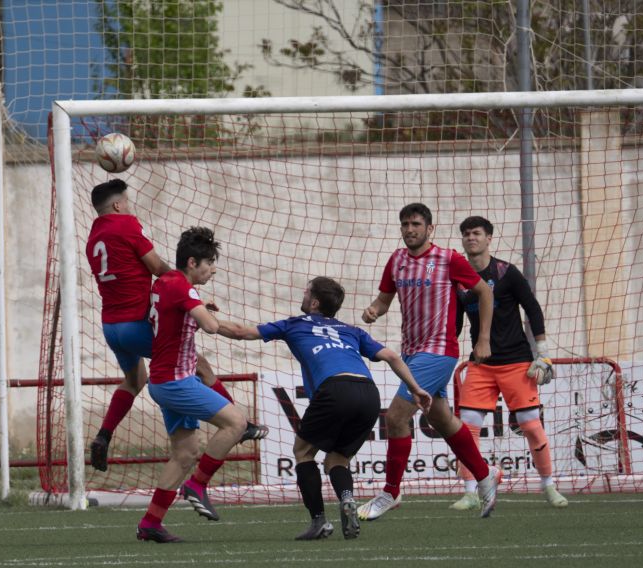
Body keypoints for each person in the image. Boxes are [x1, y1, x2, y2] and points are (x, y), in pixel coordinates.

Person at [216, 277, 432, 540]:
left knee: (303, 451)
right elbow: (392, 356)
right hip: (368, 393)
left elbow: (241, 331)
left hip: (335, 388)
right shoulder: (351, 330)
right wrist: (416, 388)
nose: (303, 295)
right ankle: (347, 497)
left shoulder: (294, 324)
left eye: (307, 292)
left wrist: (201, 316)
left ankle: (319, 521)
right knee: (336, 459)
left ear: (315, 302)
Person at [84, 179, 267, 473]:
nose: (130, 207)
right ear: (118, 205)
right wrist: (183, 284)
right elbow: (156, 267)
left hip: (112, 328)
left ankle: (104, 435)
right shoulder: (127, 224)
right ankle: (241, 424)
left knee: (134, 380)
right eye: (127, 202)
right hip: (135, 323)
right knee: (198, 363)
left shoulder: (93, 237)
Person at [355, 202, 501, 520]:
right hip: (411, 353)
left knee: (395, 417)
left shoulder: (449, 259)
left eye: (416, 224)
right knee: (443, 421)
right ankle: (484, 474)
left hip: (439, 352)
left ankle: (391, 492)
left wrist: (484, 338)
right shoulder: (396, 261)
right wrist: (373, 311)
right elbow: (384, 299)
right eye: (405, 224)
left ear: (429, 229)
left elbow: (485, 293)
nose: (410, 229)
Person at [136, 226, 247, 543]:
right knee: (236, 422)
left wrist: (194, 309)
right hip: (175, 383)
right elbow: (211, 327)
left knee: (185, 453)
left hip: (165, 379)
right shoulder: (183, 288)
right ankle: (197, 485)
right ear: (192, 263)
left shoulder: (165, 283)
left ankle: (150, 523)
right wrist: (237, 328)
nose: (213, 269)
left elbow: (172, 314)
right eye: (209, 263)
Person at [451, 215, 568, 510]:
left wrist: (542, 353)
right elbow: (455, 324)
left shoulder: (507, 272)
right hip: (480, 365)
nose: (470, 238)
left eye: (476, 233)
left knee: (530, 425)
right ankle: (469, 491)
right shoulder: (460, 279)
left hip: (517, 362)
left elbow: (533, 309)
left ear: (489, 238)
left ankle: (548, 487)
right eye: (466, 234)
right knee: (467, 429)